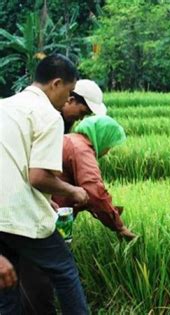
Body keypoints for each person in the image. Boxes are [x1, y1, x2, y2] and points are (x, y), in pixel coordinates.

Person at [0, 53, 90, 314]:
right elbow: (38, 176)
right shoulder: (48, 115)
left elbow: (12, 162)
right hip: (18, 213)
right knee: (64, 271)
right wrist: (73, 191)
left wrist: (47, 199)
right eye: (69, 91)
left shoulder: (5, 105)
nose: (67, 99)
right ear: (56, 84)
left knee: (7, 285)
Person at [20, 115, 135, 314]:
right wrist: (119, 226)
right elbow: (94, 192)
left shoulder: (68, 140)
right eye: (110, 145)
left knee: (31, 272)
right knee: (62, 270)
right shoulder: (82, 149)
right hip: (44, 218)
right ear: (102, 137)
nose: (107, 152)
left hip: (33, 213)